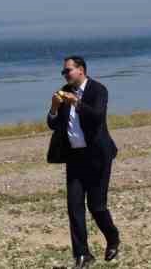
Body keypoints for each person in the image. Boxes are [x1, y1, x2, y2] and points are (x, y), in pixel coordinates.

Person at [46, 55, 121, 265]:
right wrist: (53, 107)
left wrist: (77, 103)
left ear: (81, 70)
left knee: (96, 206)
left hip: (98, 156)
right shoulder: (64, 90)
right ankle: (82, 254)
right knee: (74, 206)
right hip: (75, 157)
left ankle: (113, 239)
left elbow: (97, 116)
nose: (65, 74)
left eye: (67, 70)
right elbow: (52, 124)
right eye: (64, 72)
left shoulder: (98, 90)